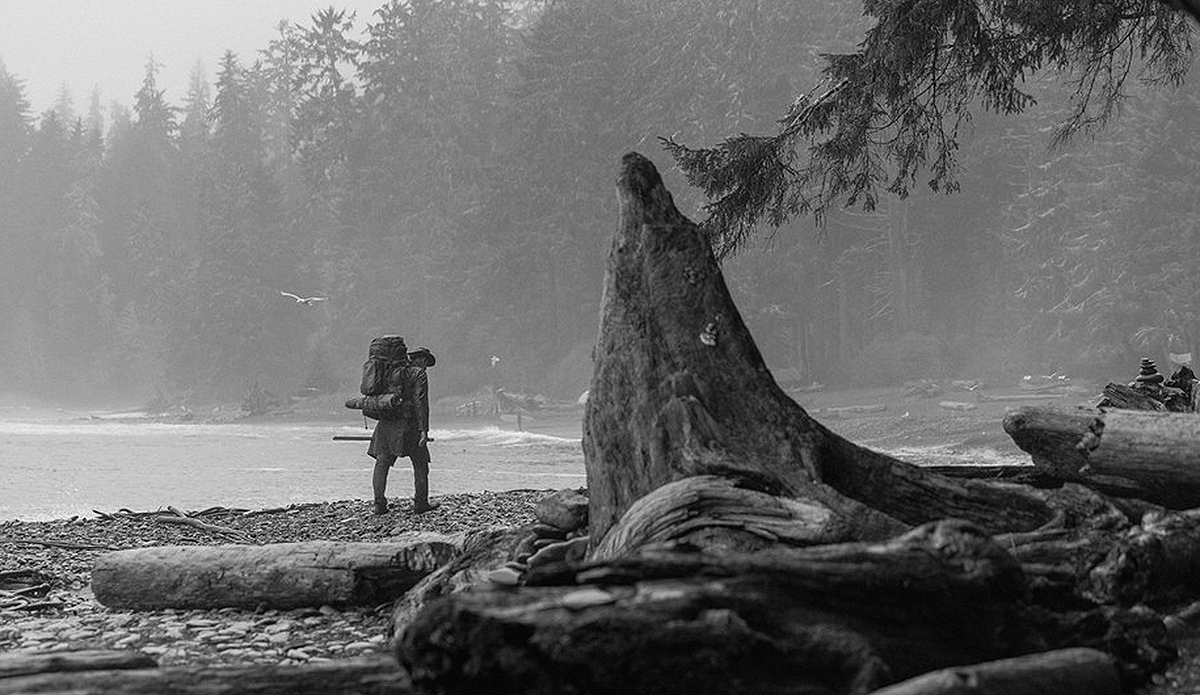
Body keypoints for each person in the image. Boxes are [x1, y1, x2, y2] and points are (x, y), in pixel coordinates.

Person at [404, 346, 438, 513]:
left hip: (392, 423)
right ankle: (421, 503)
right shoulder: (419, 374)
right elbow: (420, 403)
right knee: (421, 464)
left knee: (384, 462)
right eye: (425, 362)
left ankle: (379, 503)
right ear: (421, 360)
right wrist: (423, 430)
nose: (425, 366)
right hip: (412, 426)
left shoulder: (398, 373)